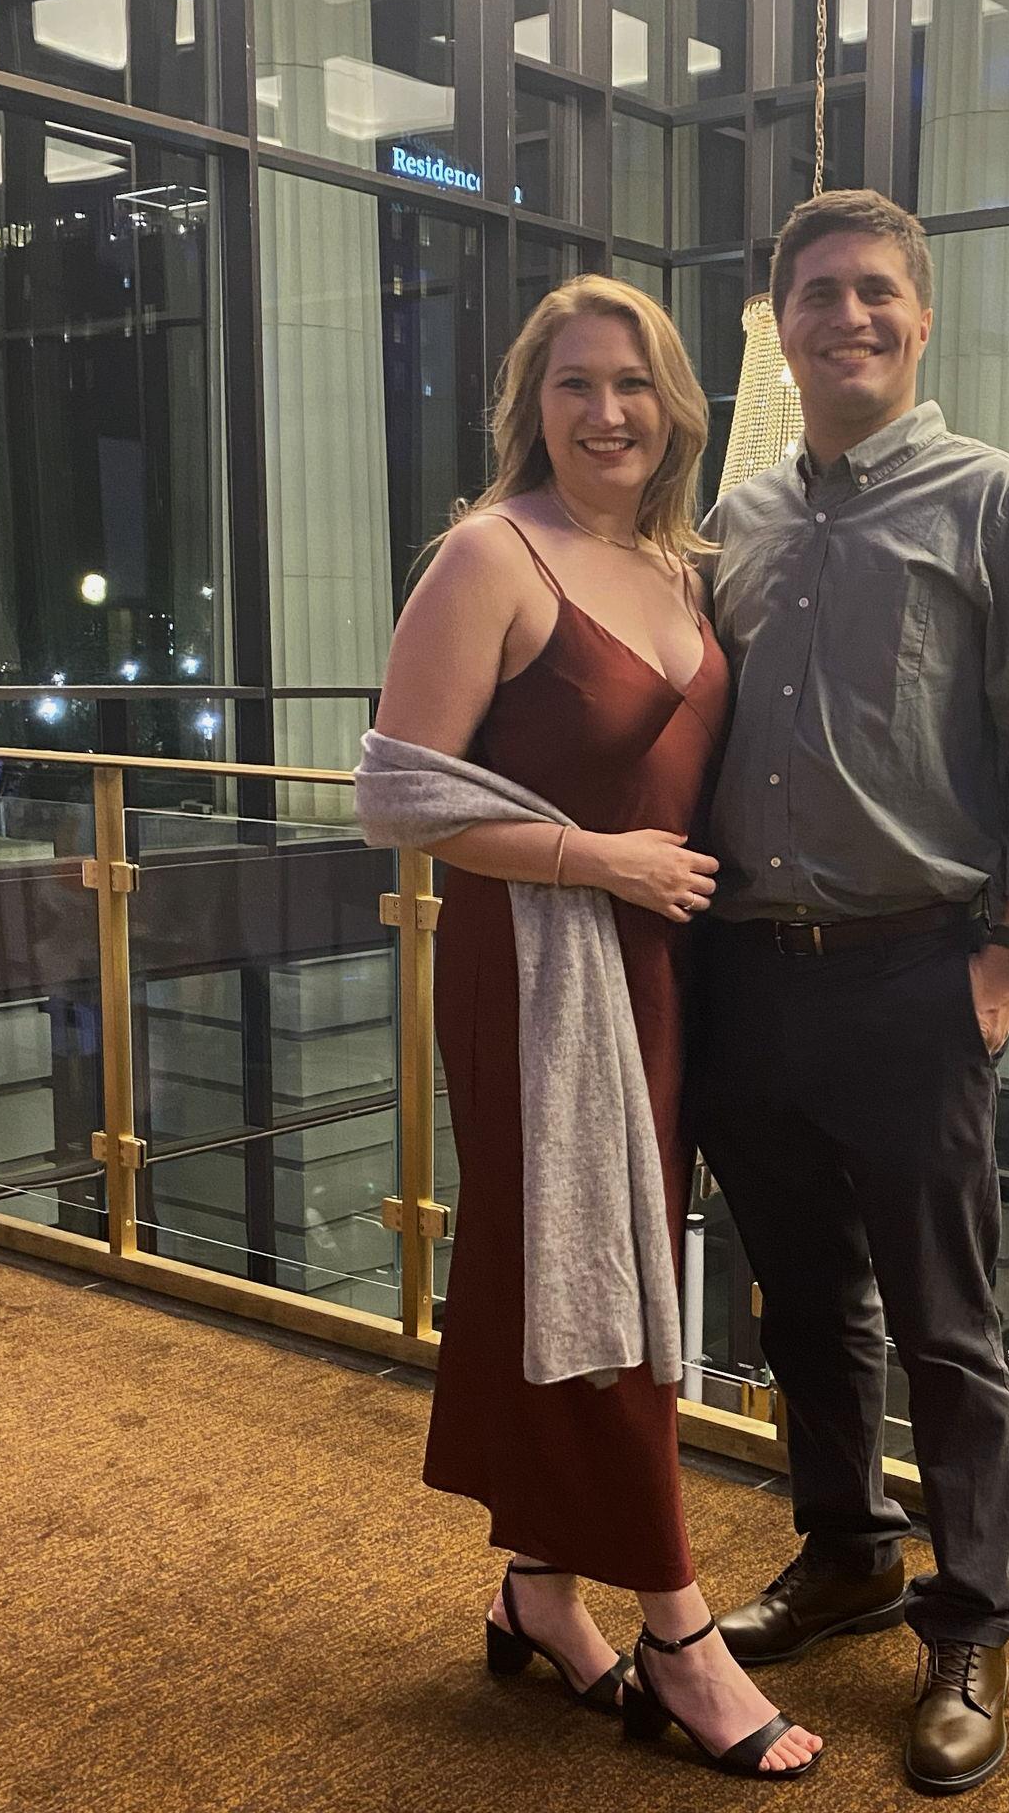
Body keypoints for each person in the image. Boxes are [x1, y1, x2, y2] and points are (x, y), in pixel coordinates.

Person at [691, 190, 1009, 1796]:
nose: (849, 317)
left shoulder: (1001, 503)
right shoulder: (736, 526)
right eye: (818, 293)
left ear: (920, 318)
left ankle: (973, 1619)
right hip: (750, 974)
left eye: (876, 290)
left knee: (948, 1326)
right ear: (782, 327)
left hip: (915, 971)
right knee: (802, 1301)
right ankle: (849, 1554)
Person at [361, 275, 821, 1780]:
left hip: (663, 976)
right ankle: (679, 1634)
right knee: (596, 1283)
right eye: (574, 383)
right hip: (538, 972)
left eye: (633, 383)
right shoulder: (489, 555)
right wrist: (594, 860)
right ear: (531, 405)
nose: (607, 411)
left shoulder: (684, 569)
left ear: (677, 407)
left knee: (594, 1274)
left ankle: (542, 1590)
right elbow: (398, 796)